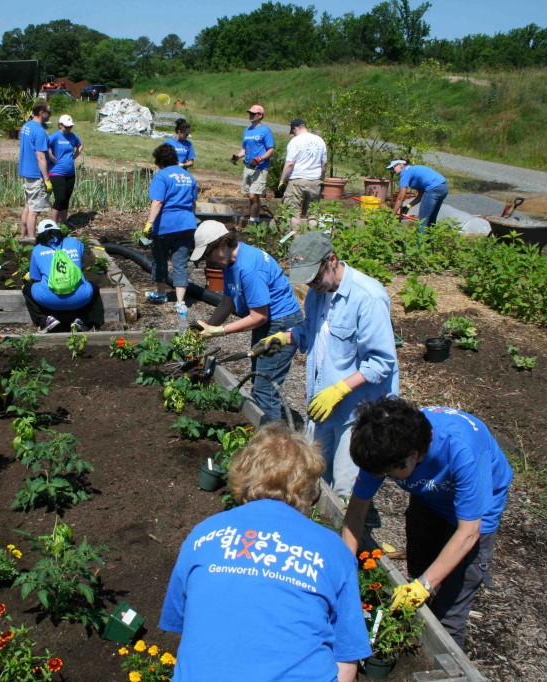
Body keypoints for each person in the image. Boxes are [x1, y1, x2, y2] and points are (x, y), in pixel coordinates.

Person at [160, 423, 371, 682]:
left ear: (243, 474)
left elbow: (187, 626)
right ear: (309, 487)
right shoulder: (332, 549)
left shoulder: (203, 535)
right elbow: (346, 658)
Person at [342, 398, 513, 650]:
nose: (383, 479)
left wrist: (424, 586)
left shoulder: (463, 450)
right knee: (419, 568)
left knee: (448, 616)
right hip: (430, 496)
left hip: (474, 515)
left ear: (413, 456)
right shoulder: (380, 442)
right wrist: (345, 568)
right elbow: (356, 511)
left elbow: (469, 531)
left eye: (388, 475)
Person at [257, 231, 399, 498]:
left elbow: (382, 362)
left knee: (345, 490)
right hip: (323, 404)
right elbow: (312, 332)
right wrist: (284, 338)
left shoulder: (367, 297)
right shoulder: (318, 293)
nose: (312, 285)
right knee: (314, 477)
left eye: (315, 277)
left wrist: (340, 389)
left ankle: (349, 533)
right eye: (307, 281)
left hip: (357, 413)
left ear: (331, 260)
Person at [190, 221, 303, 424]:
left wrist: (220, 331)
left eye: (208, 254)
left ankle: (274, 445)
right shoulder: (230, 263)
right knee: (259, 378)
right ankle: (266, 431)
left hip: (281, 324)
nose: (208, 260)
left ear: (222, 245)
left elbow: (259, 316)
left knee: (265, 388)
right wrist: (207, 328)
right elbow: (227, 302)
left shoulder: (248, 267)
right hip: (268, 323)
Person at [144, 143, 198, 312]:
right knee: (180, 262)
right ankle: (180, 302)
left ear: (159, 162)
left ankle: (160, 293)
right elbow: (193, 203)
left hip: (166, 226)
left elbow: (158, 201)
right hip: (187, 224)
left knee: (160, 260)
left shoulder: (161, 176)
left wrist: (149, 223)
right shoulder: (189, 177)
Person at [23, 219, 103, 333]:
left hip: (49, 299)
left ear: (40, 235)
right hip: (80, 297)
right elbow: (80, 258)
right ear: (58, 231)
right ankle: (85, 321)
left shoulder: (38, 249)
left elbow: (35, 278)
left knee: (27, 288)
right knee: (93, 286)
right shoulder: (74, 242)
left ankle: (44, 320)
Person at [277, 118, 327, 226]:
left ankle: (297, 239)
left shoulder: (295, 141)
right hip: (315, 181)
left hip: (297, 181)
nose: (293, 134)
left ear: (295, 128)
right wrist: (321, 180)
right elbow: (324, 164)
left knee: (294, 214)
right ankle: (314, 241)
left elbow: (290, 163)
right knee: (313, 215)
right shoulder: (320, 140)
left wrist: (282, 181)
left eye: (293, 132)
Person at [233, 104, 275, 224]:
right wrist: (237, 156)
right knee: (251, 196)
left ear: (260, 115)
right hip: (248, 167)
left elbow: (271, 149)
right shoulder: (247, 131)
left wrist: (259, 159)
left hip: (260, 168)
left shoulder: (265, 131)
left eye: (253, 114)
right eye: (249, 113)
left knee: (253, 195)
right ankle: (255, 219)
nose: (250, 116)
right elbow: (244, 149)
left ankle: (252, 221)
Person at [19, 100, 53, 239]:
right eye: (49, 112)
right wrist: (47, 179)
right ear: (41, 112)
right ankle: (31, 241)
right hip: (36, 174)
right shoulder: (40, 132)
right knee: (35, 211)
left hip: (26, 172)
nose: (50, 115)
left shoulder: (26, 126)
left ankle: (22, 237)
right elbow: (40, 157)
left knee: (28, 206)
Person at [387, 159, 449, 228]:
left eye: (392, 168)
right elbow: (421, 194)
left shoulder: (405, 172)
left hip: (433, 188)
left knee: (422, 221)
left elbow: (401, 198)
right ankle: (431, 238)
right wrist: (408, 206)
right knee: (431, 219)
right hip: (443, 187)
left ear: (401, 165)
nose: (392, 171)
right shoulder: (412, 171)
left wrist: (392, 216)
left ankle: (421, 238)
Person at [47, 114, 83, 230]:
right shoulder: (55, 136)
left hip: (70, 173)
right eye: (66, 127)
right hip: (57, 173)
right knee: (60, 198)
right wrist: (52, 157)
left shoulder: (73, 137)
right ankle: (54, 224)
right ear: (60, 125)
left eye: (70, 127)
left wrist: (75, 155)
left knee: (66, 198)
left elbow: (80, 145)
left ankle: (64, 222)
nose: (69, 129)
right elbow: (44, 147)